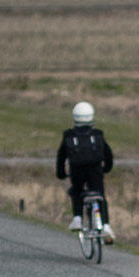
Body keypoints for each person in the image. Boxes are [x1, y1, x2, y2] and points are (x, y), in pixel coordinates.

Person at [56, 100, 115, 242]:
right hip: (95, 170)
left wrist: (61, 173)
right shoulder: (97, 134)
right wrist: (106, 169)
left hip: (77, 170)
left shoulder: (69, 135)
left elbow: (61, 156)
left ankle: (77, 217)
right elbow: (108, 154)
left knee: (77, 191)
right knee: (100, 195)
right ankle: (106, 225)